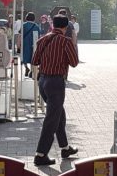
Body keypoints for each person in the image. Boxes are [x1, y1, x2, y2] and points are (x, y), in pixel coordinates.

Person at [31, 13, 79, 167]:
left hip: (43, 81)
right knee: (51, 120)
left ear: (53, 25)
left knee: (59, 115)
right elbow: (74, 62)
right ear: (65, 27)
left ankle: (65, 148)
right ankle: (41, 154)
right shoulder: (65, 41)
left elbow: (34, 60)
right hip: (56, 83)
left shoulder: (43, 39)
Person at [21, 11, 41, 77]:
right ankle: (32, 71)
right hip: (34, 44)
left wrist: (18, 45)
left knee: (24, 57)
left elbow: (20, 35)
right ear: (34, 18)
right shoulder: (36, 26)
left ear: (27, 17)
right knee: (33, 57)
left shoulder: (24, 25)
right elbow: (39, 36)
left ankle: (26, 68)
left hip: (25, 43)